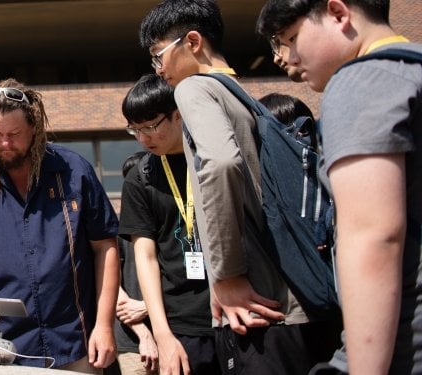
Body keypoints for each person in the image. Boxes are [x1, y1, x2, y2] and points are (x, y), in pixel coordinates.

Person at [139, 1, 340, 373]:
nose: (159, 69)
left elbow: (220, 163)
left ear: (193, 41)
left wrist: (227, 275)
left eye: (158, 55)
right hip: (301, 299)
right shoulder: (240, 94)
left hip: (255, 310)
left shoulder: (193, 88)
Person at [257, 0, 421, 373]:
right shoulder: (411, 72)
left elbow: (374, 235)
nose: (289, 58)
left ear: (338, 13)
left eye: (293, 37)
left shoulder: (362, 82)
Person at [0, 78, 120, 372]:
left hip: (75, 342)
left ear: (35, 127)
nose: (6, 143)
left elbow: (105, 248)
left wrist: (105, 325)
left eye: (15, 133)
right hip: (0, 348)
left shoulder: (75, 171)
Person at [119, 74, 218, 375]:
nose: (143, 138)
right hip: (179, 324)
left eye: (150, 127)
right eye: (135, 129)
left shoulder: (212, 157)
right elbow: (145, 258)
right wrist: (163, 336)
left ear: (177, 115)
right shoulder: (141, 176)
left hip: (230, 312)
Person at [108, 151, 158, 375]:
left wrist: (147, 306)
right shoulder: (118, 231)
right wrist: (144, 335)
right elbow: (111, 288)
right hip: (133, 341)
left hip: (179, 335)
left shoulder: (173, 227)